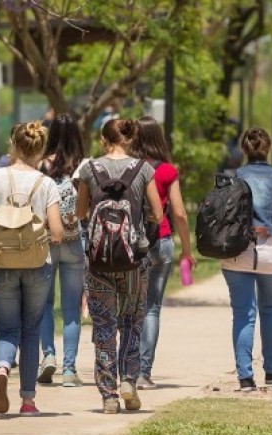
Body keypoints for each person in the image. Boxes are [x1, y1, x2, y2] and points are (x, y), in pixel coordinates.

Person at [76, 119, 163, 414]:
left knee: (104, 326)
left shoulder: (89, 169)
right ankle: (129, 380)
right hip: (134, 261)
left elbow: (80, 211)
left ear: (104, 139)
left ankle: (108, 396)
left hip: (99, 262)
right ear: (130, 139)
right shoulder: (144, 169)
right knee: (131, 323)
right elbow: (158, 213)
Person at [0, 122, 63, 416]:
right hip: (38, 265)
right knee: (31, 331)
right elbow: (58, 231)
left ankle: (1, 369)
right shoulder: (46, 184)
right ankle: (28, 401)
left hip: (3, 263)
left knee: (8, 329)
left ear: (12, 144)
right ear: (41, 149)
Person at [222, 127, 272, 392]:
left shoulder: (234, 178)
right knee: (270, 310)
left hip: (237, 252)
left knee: (243, 314)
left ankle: (245, 377)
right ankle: (271, 372)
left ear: (244, 149)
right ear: (268, 148)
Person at [132, 116, 196, 390]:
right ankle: (144, 373)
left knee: (130, 309)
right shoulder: (168, 170)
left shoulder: (129, 168)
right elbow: (179, 213)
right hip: (162, 241)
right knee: (152, 309)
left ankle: (127, 369)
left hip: (133, 245)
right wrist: (187, 250)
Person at [36, 113, 87, 387]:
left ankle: (48, 357)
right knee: (71, 308)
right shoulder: (83, 166)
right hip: (74, 241)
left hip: (46, 240)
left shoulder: (42, 165)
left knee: (44, 304)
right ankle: (69, 370)